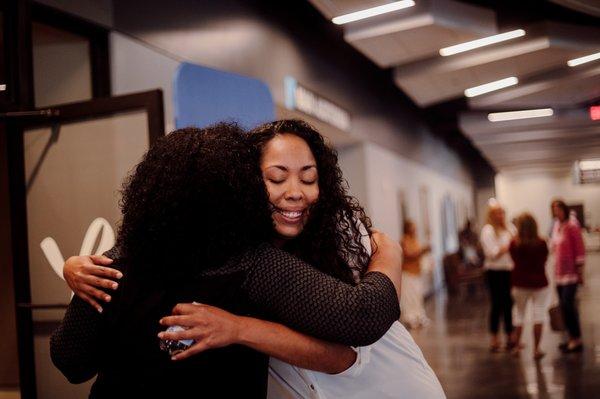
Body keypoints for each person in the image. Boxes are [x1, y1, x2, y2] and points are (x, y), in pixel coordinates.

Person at [58, 120, 445, 398]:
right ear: (242, 192)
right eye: (275, 179)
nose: (293, 192)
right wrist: (390, 252)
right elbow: (362, 317)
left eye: (307, 178)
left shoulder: (112, 265)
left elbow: (70, 362)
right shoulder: (249, 264)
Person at [509, 213, 549, 360]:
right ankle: (536, 349)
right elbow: (545, 259)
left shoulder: (514, 244)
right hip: (539, 282)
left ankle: (517, 346)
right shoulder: (541, 242)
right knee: (539, 314)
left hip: (520, 283)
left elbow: (513, 259)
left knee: (519, 314)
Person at [480, 199, 516, 352]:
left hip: (509, 270)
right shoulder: (488, 230)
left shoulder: (509, 228)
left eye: (502, 213)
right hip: (495, 272)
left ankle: (510, 335)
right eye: (497, 213)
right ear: (492, 215)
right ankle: (494, 338)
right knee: (497, 304)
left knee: (509, 303)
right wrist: (508, 246)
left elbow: (517, 242)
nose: (501, 216)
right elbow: (492, 253)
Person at [550, 199, 585, 353]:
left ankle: (576, 338)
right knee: (564, 308)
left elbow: (579, 249)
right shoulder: (557, 226)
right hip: (559, 273)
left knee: (568, 304)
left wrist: (580, 271)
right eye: (553, 210)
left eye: (558, 209)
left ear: (564, 209)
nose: (556, 212)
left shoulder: (572, 226)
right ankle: (570, 337)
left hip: (570, 273)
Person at [399, 220, 432, 329]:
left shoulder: (414, 240)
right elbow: (409, 254)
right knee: (409, 297)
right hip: (408, 272)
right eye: (413, 227)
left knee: (417, 296)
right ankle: (410, 318)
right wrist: (423, 250)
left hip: (416, 272)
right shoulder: (404, 241)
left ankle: (419, 316)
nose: (415, 230)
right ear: (408, 228)